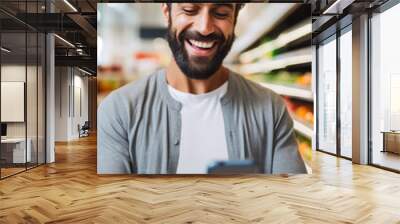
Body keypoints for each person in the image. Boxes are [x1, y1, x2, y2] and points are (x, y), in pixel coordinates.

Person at [98, 3, 307, 174]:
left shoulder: (271, 109)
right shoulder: (119, 111)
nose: (204, 27)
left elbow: (293, 204)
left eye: (221, 13)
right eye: (189, 10)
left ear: (234, 19)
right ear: (166, 12)